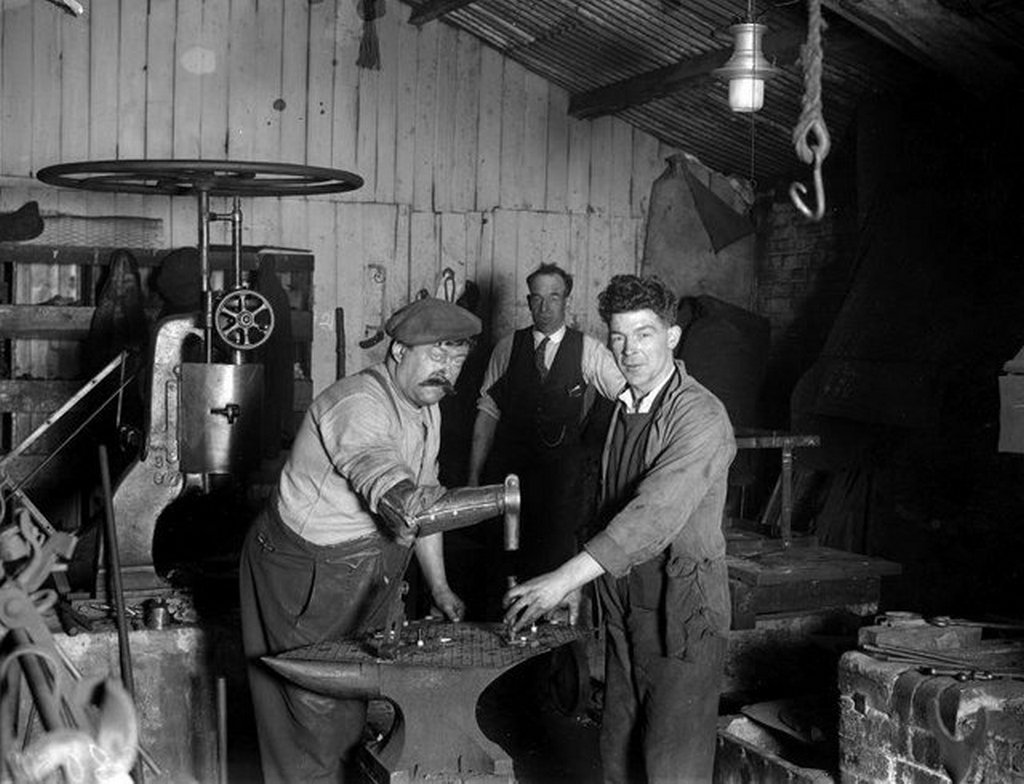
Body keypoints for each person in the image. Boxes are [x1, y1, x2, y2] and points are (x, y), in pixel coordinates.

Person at [503, 274, 736, 783]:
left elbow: (652, 517)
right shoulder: (619, 407)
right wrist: (583, 589)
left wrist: (565, 578)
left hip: (680, 609)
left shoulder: (700, 416)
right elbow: (602, 505)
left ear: (672, 338)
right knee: (618, 750)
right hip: (622, 601)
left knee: (670, 764)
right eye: (618, 336)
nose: (630, 351)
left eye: (645, 334)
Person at [239, 297, 483, 783]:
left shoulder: (425, 405)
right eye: (436, 356)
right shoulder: (357, 403)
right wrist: (401, 497)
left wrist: (438, 587)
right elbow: (380, 470)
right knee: (312, 714)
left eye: (456, 359)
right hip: (305, 572)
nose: (446, 371)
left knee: (356, 701)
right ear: (397, 352)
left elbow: (425, 500)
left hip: (367, 566)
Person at [467, 263, 624, 592]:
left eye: (554, 297)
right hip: (508, 478)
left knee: (553, 565)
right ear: (528, 301)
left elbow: (628, 397)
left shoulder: (589, 349)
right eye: (537, 298)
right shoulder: (507, 348)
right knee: (503, 562)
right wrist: (473, 478)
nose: (545, 307)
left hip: (561, 484)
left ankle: (551, 639)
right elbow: (487, 414)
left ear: (567, 300)